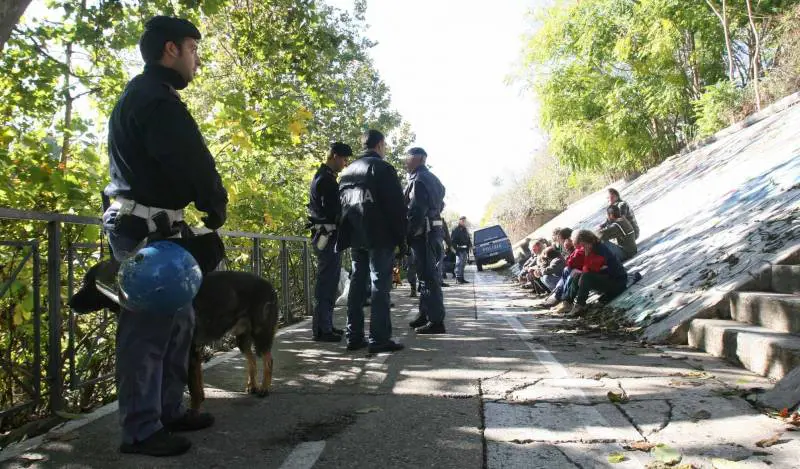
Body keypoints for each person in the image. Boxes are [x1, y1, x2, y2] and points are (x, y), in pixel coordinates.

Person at [102, 16, 227, 457]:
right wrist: (215, 203)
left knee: (178, 322)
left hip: (156, 228)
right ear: (170, 50)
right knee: (147, 331)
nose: (198, 60)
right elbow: (192, 162)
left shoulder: (145, 96)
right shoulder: (155, 101)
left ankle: (167, 411)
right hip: (144, 232)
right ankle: (140, 430)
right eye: (194, 49)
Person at [337, 130, 406, 353]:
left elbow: (343, 208)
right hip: (380, 237)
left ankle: (354, 337)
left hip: (356, 236)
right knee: (379, 286)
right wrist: (401, 239)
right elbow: (396, 208)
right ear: (380, 145)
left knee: (357, 285)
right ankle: (379, 339)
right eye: (384, 146)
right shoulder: (382, 169)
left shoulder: (346, 173)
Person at [307, 142, 352, 342]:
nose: (345, 163)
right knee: (326, 284)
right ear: (334, 156)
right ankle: (322, 329)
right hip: (327, 236)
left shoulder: (324, 177)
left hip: (327, 236)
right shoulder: (325, 180)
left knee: (330, 282)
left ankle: (326, 325)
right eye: (343, 159)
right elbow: (334, 212)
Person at [405, 147, 448, 334]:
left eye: (408, 158)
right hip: (432, 231)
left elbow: (416, 210)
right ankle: (425, 314)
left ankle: (436, 321)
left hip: (423, 233)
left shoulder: (419, 179)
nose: (406, 162)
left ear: (419, 159)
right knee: (425, 277)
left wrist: (407, 234)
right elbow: (441, 201)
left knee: (428, 277)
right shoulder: (432, 178)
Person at [569, 229, 628, 315]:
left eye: (581, 246)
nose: (581, 249)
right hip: (607, 279)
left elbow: (600, 268)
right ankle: (568, 301)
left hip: (617, 282)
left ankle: (580, 305)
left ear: (584, 242)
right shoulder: (590, 249)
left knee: (586, 276)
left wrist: (585, 273)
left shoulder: (600, 249)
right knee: (577, 275)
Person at [450, 216, 472, 284]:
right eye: (462, 221)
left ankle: (462, 278)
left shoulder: (465, 229)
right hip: (459, 249)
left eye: (464, 221)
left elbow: (468, 238)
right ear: (459, 221)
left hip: (465, 249)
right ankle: (458, 278)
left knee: (463, 264)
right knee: (458, 264)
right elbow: (452, 240)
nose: (464, 222)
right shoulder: (455, 229)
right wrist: (455, 249)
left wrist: (470, 245)